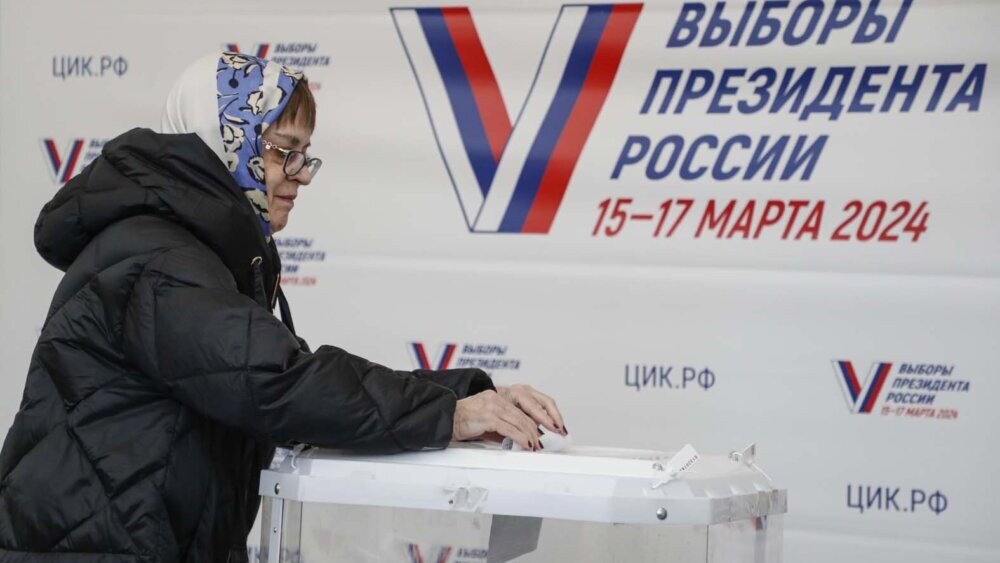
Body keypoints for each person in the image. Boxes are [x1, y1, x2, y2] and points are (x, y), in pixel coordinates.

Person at [0, 53, 566, 563]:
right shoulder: (159, 258)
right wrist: (451, 415)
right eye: (282, 152)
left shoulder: (193, 253)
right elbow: (278, 384)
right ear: (223, 140)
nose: (299, 176)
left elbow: (290, 380)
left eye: (304, 156)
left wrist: (464, 397)